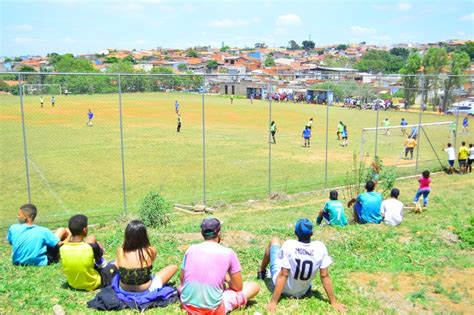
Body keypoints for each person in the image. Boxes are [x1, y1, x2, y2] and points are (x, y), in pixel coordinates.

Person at [257, 219, 346, 313]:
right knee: (281, 246)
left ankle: (261, 271)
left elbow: (284, 274)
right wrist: (334, 302)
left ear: (295, 233)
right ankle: (262, 271)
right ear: (312, 233)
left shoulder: (289, 245)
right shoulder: (320, 247)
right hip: (303, 291)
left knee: (274, 241)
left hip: (284, 289)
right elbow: (324, 276)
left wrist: (274, 302)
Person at [180, 218, 260, 314]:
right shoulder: (228, 253)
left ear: (202, 233)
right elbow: (238, 287)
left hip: (187, 305)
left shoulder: (190, 249)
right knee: (254, 286)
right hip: (213, 310)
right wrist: (226, 278)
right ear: (219, 233)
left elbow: (182, 281)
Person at [116, 220, 177, 293]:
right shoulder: (150, 250)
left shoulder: (120, 251)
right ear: (144, 235)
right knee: (173, 267)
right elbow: (152, 260)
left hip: (124, 289)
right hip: (145, 289)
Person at [60, 215, 117, 291]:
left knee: (92, 237)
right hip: (93, 284)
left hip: (73, 284)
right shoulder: (90, 247)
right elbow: (100, 261)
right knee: (116, 262)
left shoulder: (62, 248)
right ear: (84, 230)